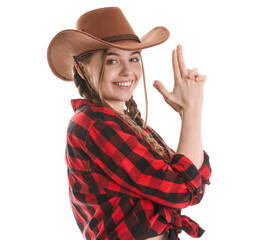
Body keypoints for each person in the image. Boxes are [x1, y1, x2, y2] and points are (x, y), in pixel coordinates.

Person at [47, 7, 212, 240]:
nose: (128, 71)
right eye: (112, 60)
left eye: (133, 58)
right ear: (83, 69)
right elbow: (182, 191)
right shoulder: (93, 124)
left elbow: (192, 182)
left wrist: (188, 113)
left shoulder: (127, 124)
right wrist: (192, 111)